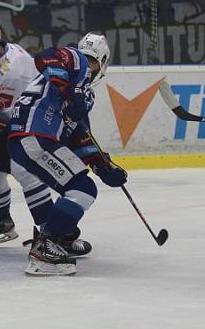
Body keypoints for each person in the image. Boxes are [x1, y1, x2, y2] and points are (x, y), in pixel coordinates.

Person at [0, 20, 91, 256]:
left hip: (35, 120)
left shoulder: (12, 71)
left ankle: (56, 233)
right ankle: (1, 222)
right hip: (16, 115)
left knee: (24, 171)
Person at [7, 33, 126, 276]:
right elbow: (44, 57)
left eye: (94, 61)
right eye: (89, 59)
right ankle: (45, 245)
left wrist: (102, 165)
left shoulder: (86, 94)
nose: (89, 65)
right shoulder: (75, 60)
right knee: (82, 189)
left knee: (80, 186)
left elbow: (79, 136)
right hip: (33, 135)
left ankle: (58, 236)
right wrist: (70, 89)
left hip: (36, 139)